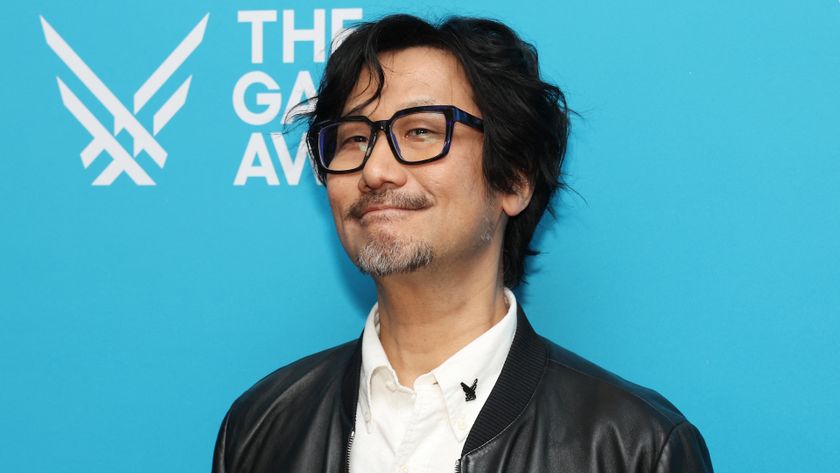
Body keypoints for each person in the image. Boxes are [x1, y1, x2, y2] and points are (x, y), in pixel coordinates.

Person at [212, 14, 713, 473]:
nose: (375, 171)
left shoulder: (635, 447)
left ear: (514, 179)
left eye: (422, 132)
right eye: (353, 139)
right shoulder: (259, 427)